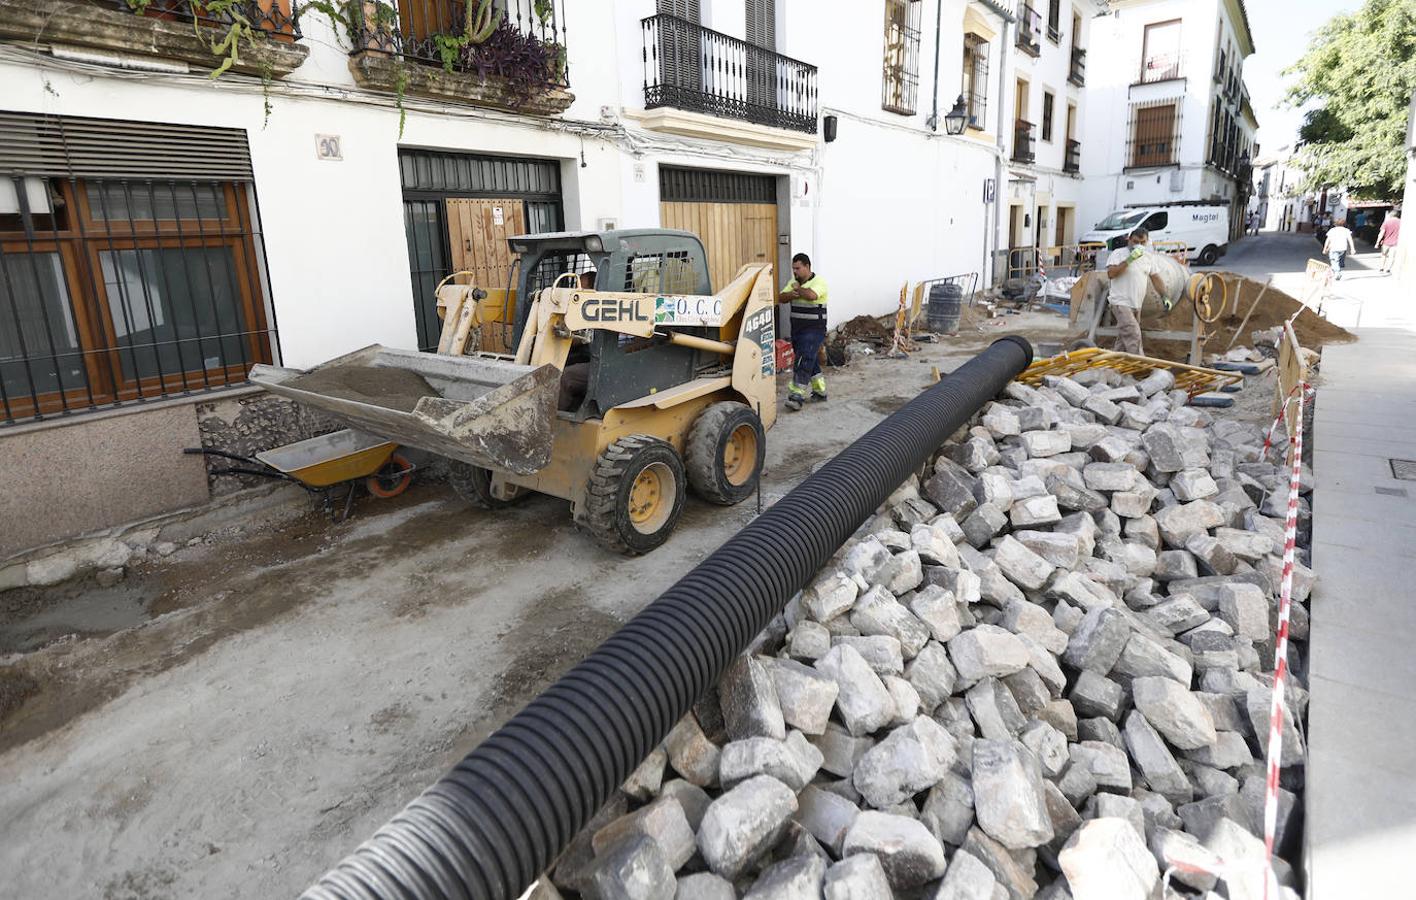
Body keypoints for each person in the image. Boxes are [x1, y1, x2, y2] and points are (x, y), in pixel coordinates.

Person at [776, 252, 828, 412]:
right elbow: (781, 297)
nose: (795, 272)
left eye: (798, 268)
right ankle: (820, 391)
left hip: (814, 329)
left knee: (803, 359)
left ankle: (796, 395)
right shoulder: (793, 282)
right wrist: (790, 294)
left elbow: (812, 295)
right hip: (797, 329)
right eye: (793, 269)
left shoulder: (819, 282)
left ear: (807, 267)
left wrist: (798, 290)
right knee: (808, 360)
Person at [1104, 229, 1168, 356]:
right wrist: (1129, 259)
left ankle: (1114, 366)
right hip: (1120, 302)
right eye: (1135, 242)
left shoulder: (1148, 257)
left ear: (1147, 242)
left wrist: (1165, 296)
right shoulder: (1118, 254)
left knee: (1124, 339)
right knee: (1134, 335)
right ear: (1129, 240)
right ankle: (1140, 367)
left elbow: (1156, 278)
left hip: (1136, 304)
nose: (1138, 245)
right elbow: (1111, 273)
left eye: (1142, 242)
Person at [1377, 210, 1401, 276]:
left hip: (1386, 242)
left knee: (1383, 255)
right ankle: (1388, 269)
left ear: (1391, 215)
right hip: (1396, 242)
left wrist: (1377, 242)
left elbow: (1381, 233)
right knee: (1392, 256)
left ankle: (1381, 268)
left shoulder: (1386, 222)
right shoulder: (1401, 222)